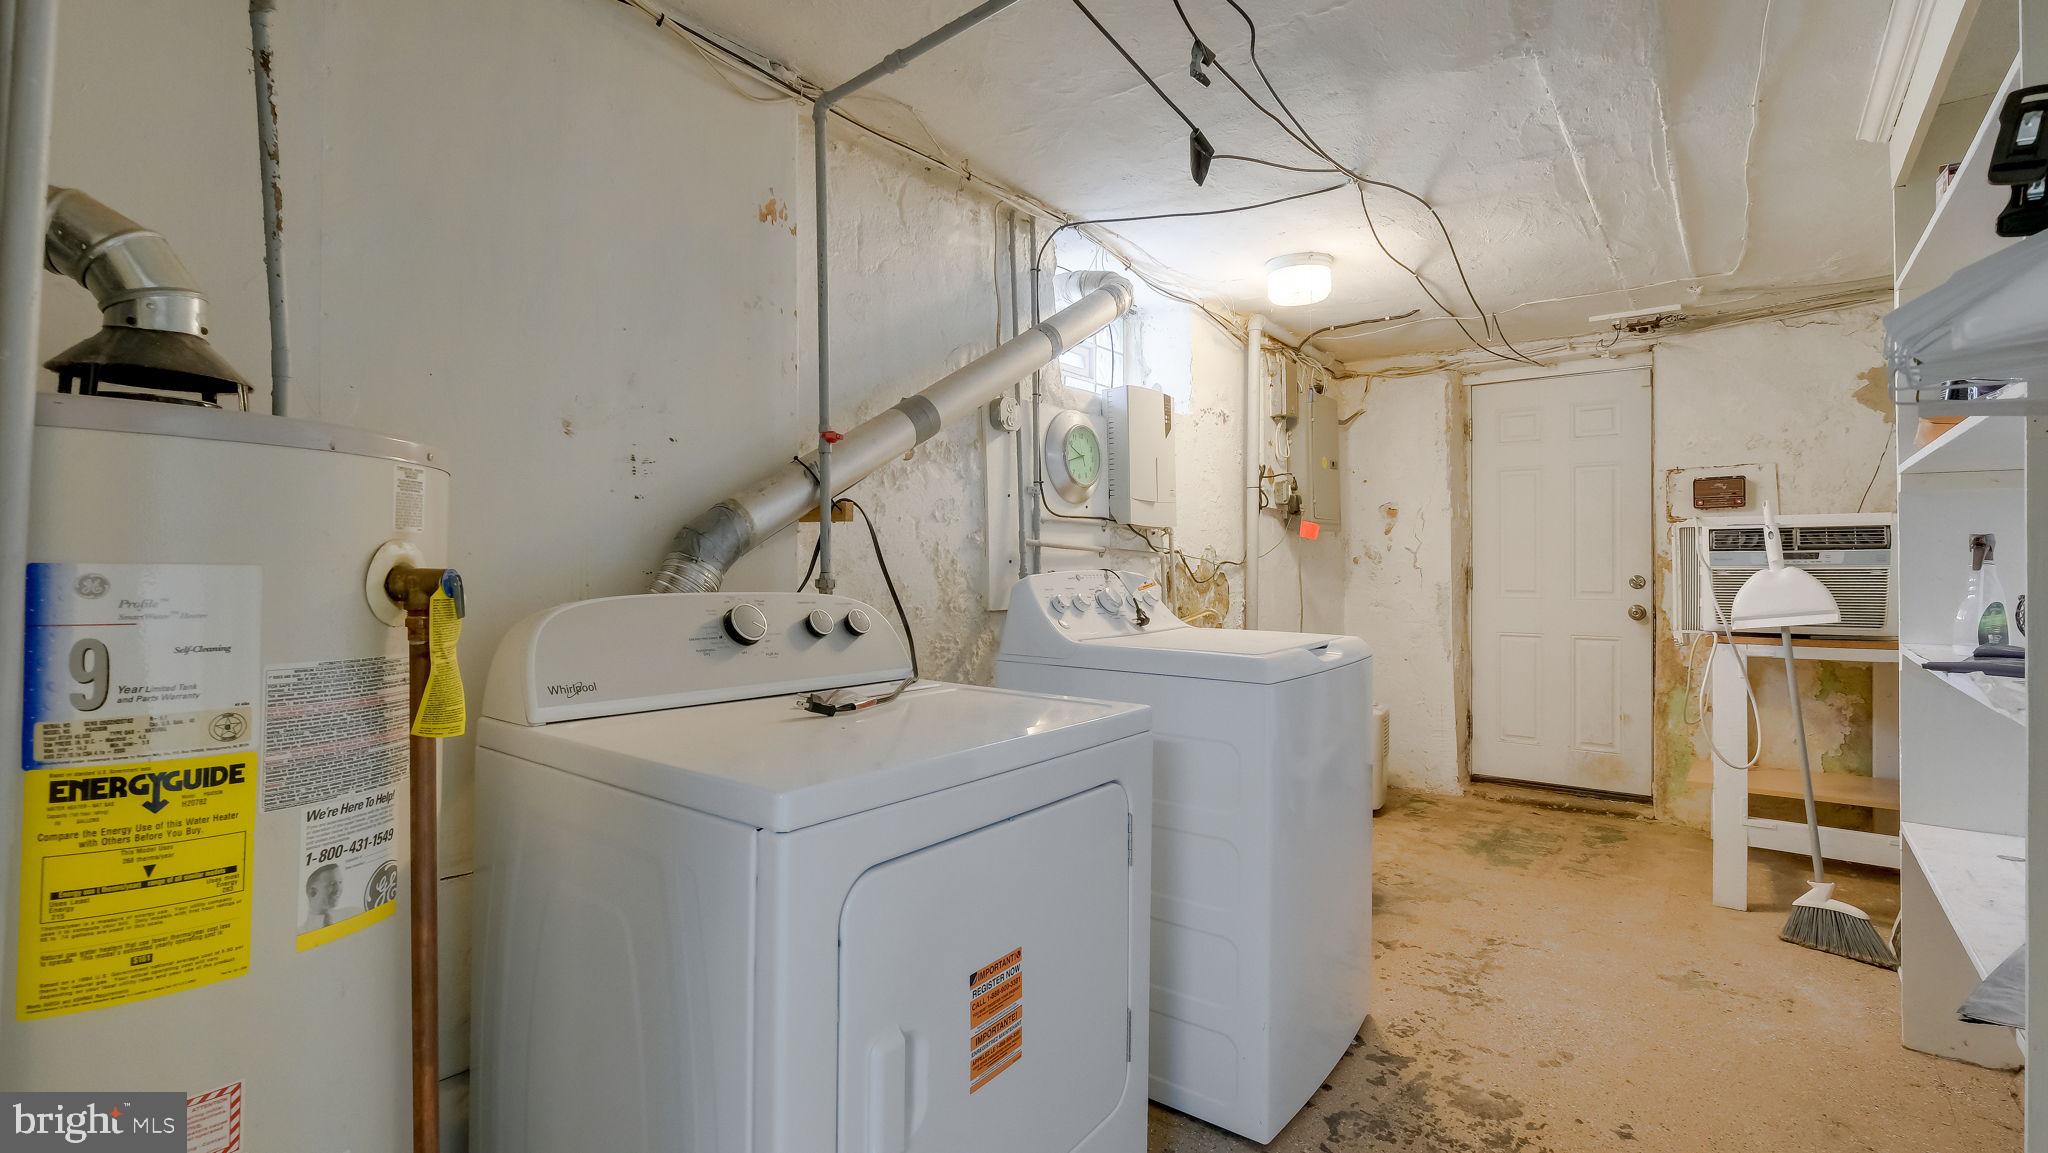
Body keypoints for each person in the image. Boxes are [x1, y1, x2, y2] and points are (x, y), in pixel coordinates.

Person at [299, 863, 357, 933]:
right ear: (313, 891)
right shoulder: (300, 933)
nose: (338, 889)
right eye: (332, 884)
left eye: (340, 882)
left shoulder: (354, 913)